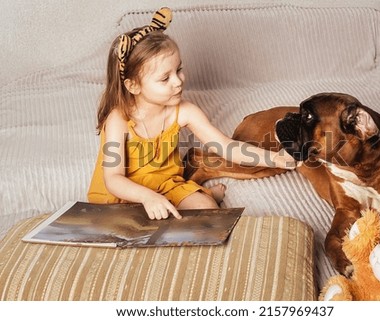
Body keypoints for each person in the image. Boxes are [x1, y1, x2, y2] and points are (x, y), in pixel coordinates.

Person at [87, 8, 296, 220]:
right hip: (125, 194)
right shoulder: (118, 120)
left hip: (167, 186)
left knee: (208, 213)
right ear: (133, 86)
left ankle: (203, 195)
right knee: (138, 224)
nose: (178, 81)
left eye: (178, 70)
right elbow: (113, 178)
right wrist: (148, 197)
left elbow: (226, 146)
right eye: (164, 78)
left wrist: (276, 159)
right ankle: (200, 193)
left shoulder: (183, 111)